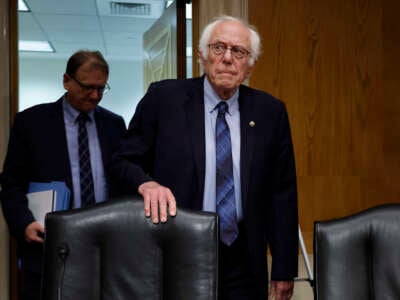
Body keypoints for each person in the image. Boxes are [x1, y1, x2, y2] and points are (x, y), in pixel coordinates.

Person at [111, 16, 298, 300]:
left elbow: (282, 194)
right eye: (218, 47)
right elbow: (122, 162)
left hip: (243, 261)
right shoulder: (164, 99)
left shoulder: (270, 112)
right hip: (176, 250)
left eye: (239, 51)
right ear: (201, 55)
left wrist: (284, 268)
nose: (227, 58)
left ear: (250, 65)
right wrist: (146, 184)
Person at [0, 50, 126, 300]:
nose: (95, 96)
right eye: (88, 87)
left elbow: (123, 182)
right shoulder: (32, 123)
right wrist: (24, 223)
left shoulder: (114, 125)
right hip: (50, 245)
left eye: (102, 88)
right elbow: (11, 185)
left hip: (105, 248)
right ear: (67, 80)